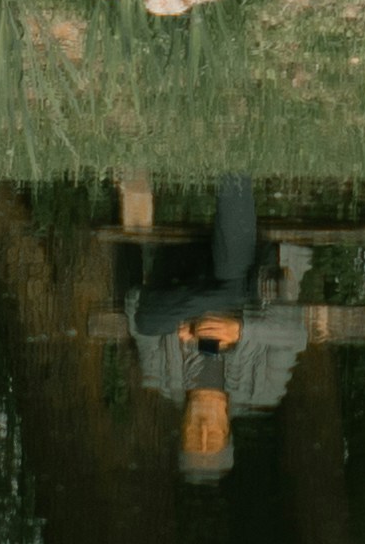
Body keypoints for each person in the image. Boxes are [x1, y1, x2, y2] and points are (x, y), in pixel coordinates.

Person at [125, 174, 311, 482]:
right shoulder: (263, 391)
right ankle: (233, 173)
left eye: (193, 438)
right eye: (211, 438)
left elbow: (136, 311)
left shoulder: (161, 378)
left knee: (148, 320)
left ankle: (226, 291)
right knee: (233, 273)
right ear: (227, 431)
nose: (202, 429)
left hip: (183, 273)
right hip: (245, 271)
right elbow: (294, 333)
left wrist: (186, 319)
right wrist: (241, 330)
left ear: (180, 430)